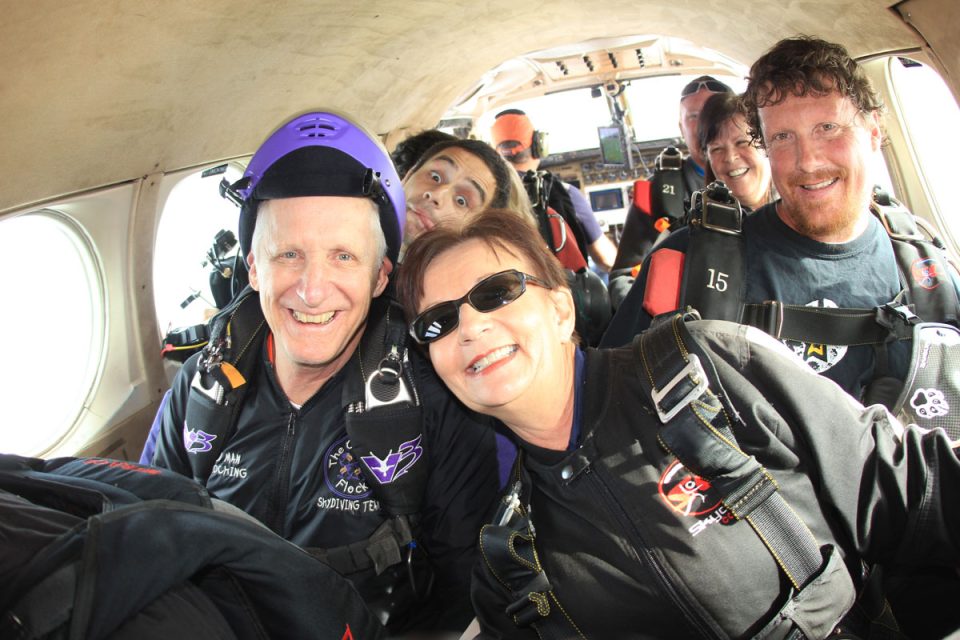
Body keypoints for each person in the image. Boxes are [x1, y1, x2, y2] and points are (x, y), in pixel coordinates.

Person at [395, 206, 960, 639]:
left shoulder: (709, 368)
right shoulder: (510, 556)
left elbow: (916, 492)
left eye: (495, 294)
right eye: (437, 324)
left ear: (561, 307)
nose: (468, 328)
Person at [148, 111, 500, 635]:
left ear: (382, 275)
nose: (312, 291)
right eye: (288, 254)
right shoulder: (201, 389)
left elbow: (461, 598)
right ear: (252, 268)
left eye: (343, 257)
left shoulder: (435, 403)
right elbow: (148, 543)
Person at [608, 75, 733, 306]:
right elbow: (624, 276)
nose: (705, 124)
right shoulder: (655, 192)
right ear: (681, 128)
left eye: (714, 113)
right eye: (694, 117)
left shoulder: (766, 182)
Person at [490, 109, 618, 271]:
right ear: (539, 145)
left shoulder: (486, 194)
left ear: (495, 153)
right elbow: (606, 260)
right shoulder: (565, 192)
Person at [699, 92, 774, 211]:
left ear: (766, 142)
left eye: (741, 142)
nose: (730, 157)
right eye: (717, 149)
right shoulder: (700, 225)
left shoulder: (804, 203)